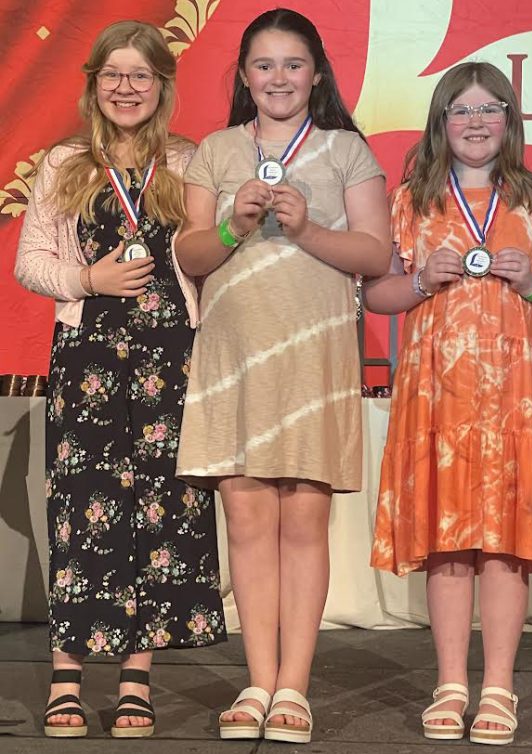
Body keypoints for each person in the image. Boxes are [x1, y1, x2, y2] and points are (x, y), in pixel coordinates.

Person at [174, 8, 390, 745]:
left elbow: (376, 257)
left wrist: (307, 229)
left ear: (317, 74)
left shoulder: (344, 152)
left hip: (315, 355)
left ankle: (294, 686)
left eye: (293, 65)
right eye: (263, 66)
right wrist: (234, 223)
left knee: (303, 517)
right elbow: (193, 257)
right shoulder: (214, 149)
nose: (278, 78)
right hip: (236, 355)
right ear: (242, 76)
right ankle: (257, 680)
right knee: (246, 517)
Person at [366, 61, 532, 746]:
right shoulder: (410, 200)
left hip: (517, 400)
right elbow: (377, 294)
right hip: (437, 397)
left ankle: (498, 685)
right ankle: (449, 683)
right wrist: (418, 280)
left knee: (506, 549)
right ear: (440, 122)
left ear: (510, 121)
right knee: (448, 547)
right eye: (460, 110)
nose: (474, 122)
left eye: (489, 108)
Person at [14, 20, 225, 739]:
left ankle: (137, 679)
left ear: (162, 85)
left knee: (162, 515)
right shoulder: (65, 161)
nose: (126, 88)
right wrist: (87, 277)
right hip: (90, 359)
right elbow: (29, 261)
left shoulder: (191, 161)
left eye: (141, 76)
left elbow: (205, 256)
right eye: (114, 75)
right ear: (93, 84)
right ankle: (66, 677)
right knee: (83, 512)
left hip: (173, 358)